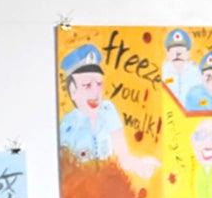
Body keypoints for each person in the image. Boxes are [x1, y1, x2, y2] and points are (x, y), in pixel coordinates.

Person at [61, 42, 160, 178]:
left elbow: (123, 157)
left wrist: (140, 165)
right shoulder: (68, 125)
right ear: (73, 91)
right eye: (87, 85)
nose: (95, 93)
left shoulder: (108, 111)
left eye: (99, 84)